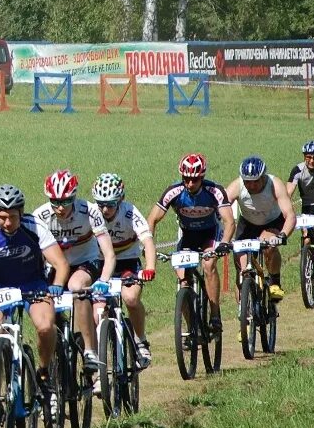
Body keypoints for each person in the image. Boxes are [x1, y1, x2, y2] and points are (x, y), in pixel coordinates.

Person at [0, 184, 71, 396]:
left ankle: (43, 371)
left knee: (45, 327)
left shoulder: (35, 227)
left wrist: (57, 286)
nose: (7, 223)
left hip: (33, 285)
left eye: (13, 217)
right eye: (2, 217)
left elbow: (61, 264)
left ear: (21, 212)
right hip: (0, 287)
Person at [33, 169, 115, 377]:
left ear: (75, 197)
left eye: (66, 201)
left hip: (86, 262)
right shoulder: (40, 216)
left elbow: (109, 253)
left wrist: (104, 280)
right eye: (54, 201)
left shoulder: (89, 211)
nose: (59, 208)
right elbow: (35, 255)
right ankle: (51, 369)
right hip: (54, 267)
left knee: (77, 287)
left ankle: (89, 350)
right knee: (47, 316)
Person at [148, 153, 236, 338]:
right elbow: (152, 219)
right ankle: (191, 328)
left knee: (209, 265)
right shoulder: (174, 191)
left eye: (194, 180)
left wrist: (225, 244)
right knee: (182, 279)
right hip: (187, 235)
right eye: (186, 179)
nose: (189, 184)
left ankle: (214, 314)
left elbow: (229, 221)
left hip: (210, 234)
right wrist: (150, 246)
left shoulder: (215, 191)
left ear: (202, 178)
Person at [90, 173, 157, 368]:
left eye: (110, 204)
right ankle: (96, 357)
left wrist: (150, 267)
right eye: (100, 203)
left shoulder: (129, 212)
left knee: (130, 298)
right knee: (96, 313)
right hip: (101, 264)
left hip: (127, 262)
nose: (105, 209)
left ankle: (140, 340)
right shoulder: (92, 213)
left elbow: (147, 241)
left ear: (120, 199)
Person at [226, 156, 296, 303]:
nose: (251, 185)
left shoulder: (274, 184)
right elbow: (220, 207)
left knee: (269, 247)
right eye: (247, 182)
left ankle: (275, 281)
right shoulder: (237, 186)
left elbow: (290, 215)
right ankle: (244, 312)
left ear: (263, 176)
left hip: (272, 223)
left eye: (255, 181)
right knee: (242, 269)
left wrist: (283, 235)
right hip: (247, 224)